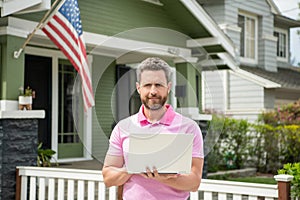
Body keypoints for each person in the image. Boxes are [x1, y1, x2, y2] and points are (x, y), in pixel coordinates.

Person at [102, 57, 204, 200]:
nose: (153, 91)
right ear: (138, 88)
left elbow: (194, 182)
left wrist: (163, 177)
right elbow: (108, 178)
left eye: (159, 85)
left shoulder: (189, 129)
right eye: (147, 85)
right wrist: (132, 168)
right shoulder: (123, 128)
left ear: (168, 87)